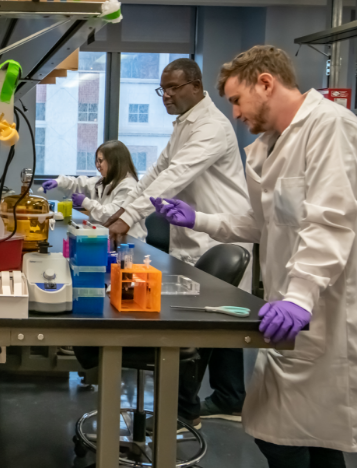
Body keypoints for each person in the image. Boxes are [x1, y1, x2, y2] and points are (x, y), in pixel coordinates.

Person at [153, 45, 357, 468]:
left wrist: (299, 298)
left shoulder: (329, 127)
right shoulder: (268, 146)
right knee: (288, 431)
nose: (235, 113)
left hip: (323, 306)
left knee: (295, 435)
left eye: (236, 100)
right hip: (288, 307)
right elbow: (261, 223)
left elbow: (331, 222)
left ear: (266, 83)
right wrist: (200, 219)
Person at [103, 58, 253, 425]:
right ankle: (230, 397)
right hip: (194, 234)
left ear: (196, 85)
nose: (166, 95)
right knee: (215, 324)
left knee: (198, 329)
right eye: (163, 89)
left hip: (217, 234)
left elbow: (176, 175)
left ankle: (183, 412)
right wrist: (121, 209)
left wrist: (128, 217)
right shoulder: (184, 125)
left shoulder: (212, 127)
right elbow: (155, 172)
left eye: (173, 88)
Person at [42, 140, 147, 239]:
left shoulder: (128, 187)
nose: (97, 165)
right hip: (109, 236)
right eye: (96, 161)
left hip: (129, 241)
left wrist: (86, 202)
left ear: (114, 162)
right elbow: (79, 184)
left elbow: (112, 215)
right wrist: (59, 182)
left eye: (100, 161)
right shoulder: (104, 181)